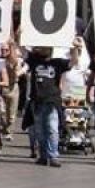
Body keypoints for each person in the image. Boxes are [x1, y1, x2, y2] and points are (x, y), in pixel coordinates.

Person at [27, 39, 84, 167]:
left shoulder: (57, 63)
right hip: (37, 101)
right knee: (40, 131)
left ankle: (53, 156)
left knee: (52, 129)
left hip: (52, 101)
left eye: (47, 47)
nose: (44, 49)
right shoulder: (34, 61)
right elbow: (23, 50)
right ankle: (43, 155)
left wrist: (74, 48)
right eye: (43, 47)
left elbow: (73, 62)